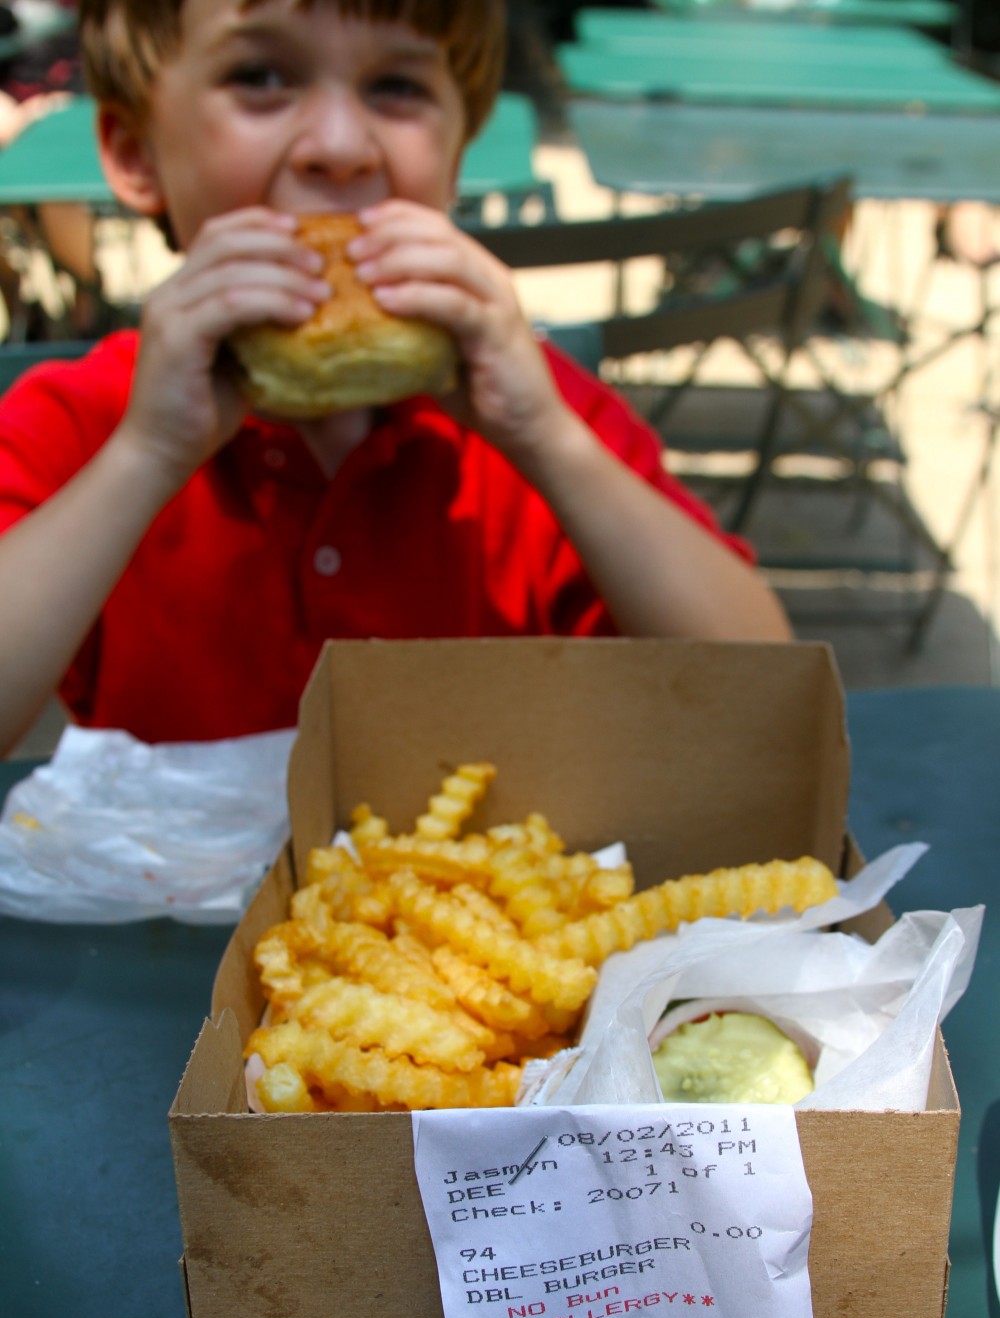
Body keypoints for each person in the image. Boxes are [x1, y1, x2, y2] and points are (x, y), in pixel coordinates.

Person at [0, 0, 790, 756]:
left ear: (455, 163)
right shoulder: (85, 427)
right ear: (138, 154)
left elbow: (767, 701)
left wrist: (547, 440)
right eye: (262, 77)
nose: (341, 145)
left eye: (397, 87)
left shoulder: (534, 418)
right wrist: (145, 458)